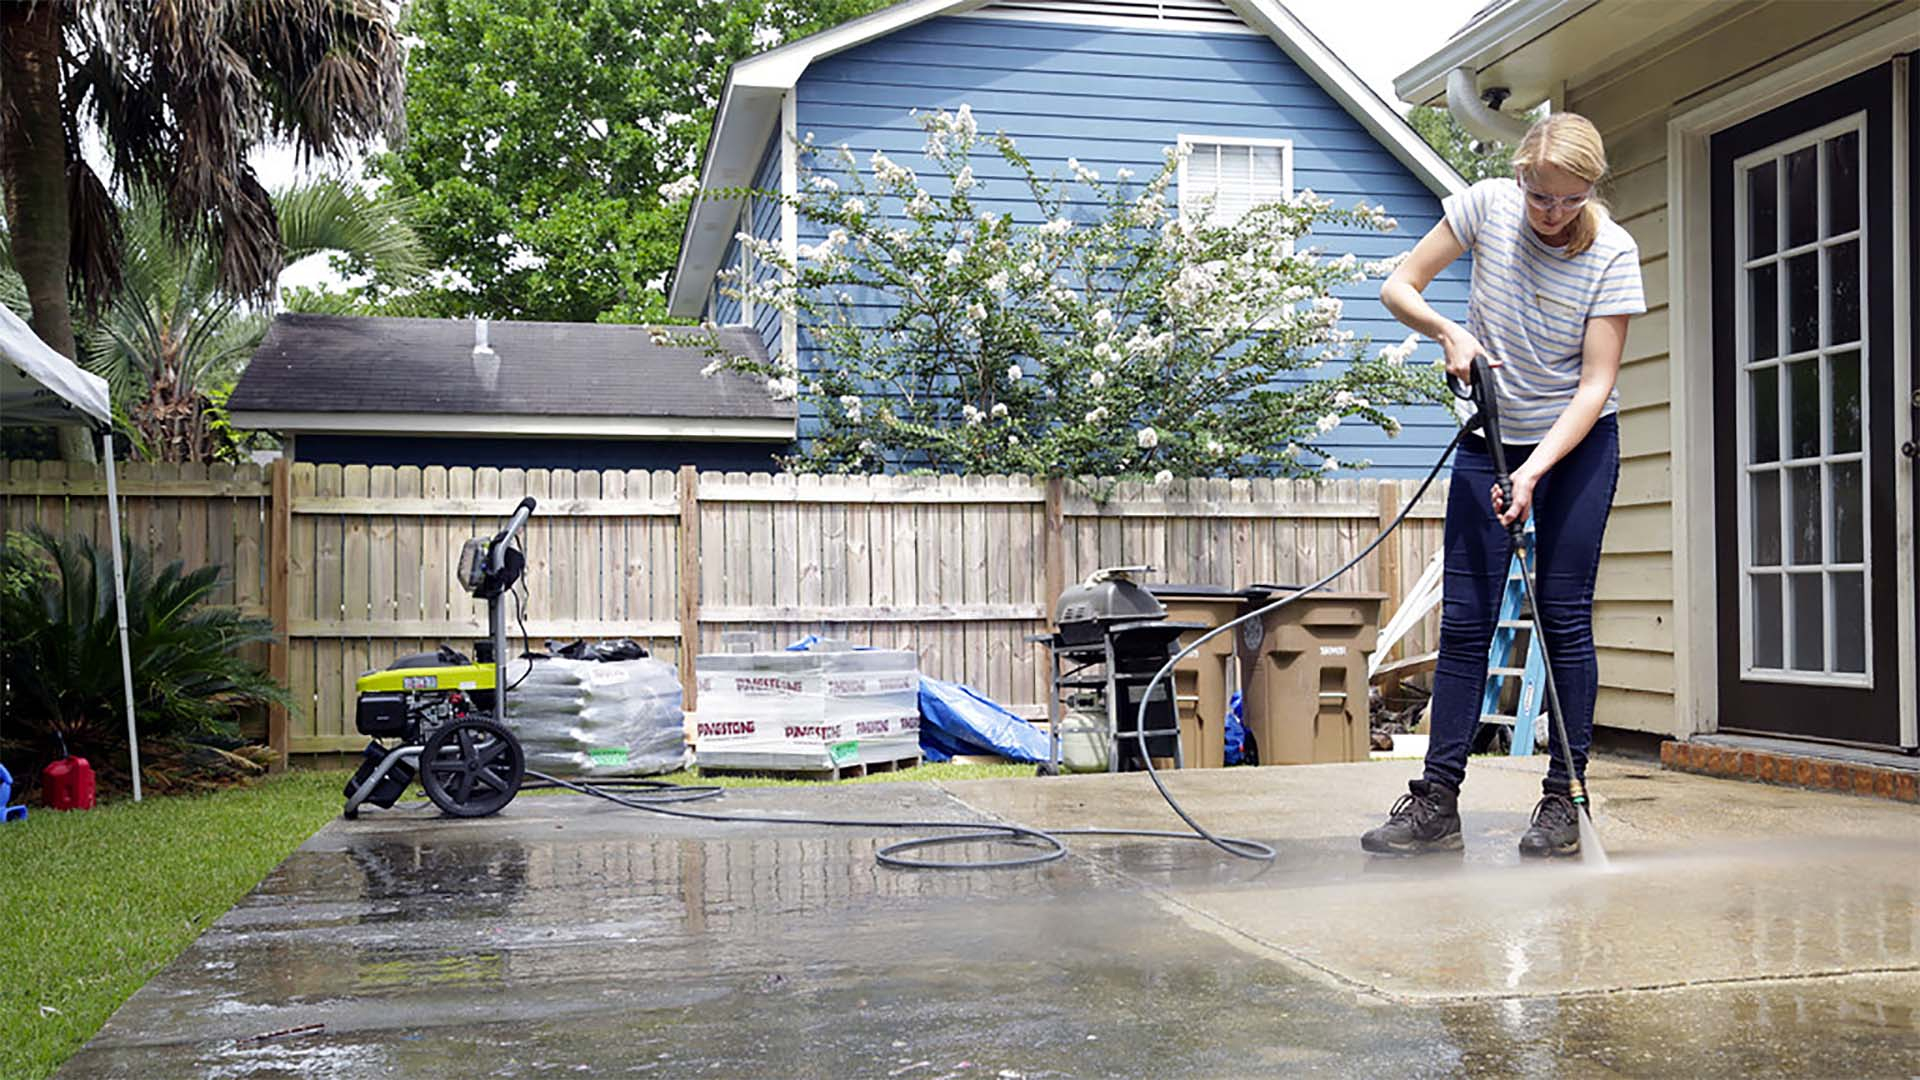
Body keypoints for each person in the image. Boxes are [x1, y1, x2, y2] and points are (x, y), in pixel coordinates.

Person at [1364, 113, 1646, 858]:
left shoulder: (1614, 252)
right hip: (1491, 440)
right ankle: (1436, 803)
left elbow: (1595, 388)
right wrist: (1447, 332)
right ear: (1520, 175)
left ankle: (1562, 802)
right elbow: (1399, 285)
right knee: (1465, 624)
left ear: (1591, 187)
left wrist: (1531, 472)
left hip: (1576, 449)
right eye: (1538, 194)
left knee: (1562, 621)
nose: (1551, 213)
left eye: (1568, 199)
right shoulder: (1487, 206)